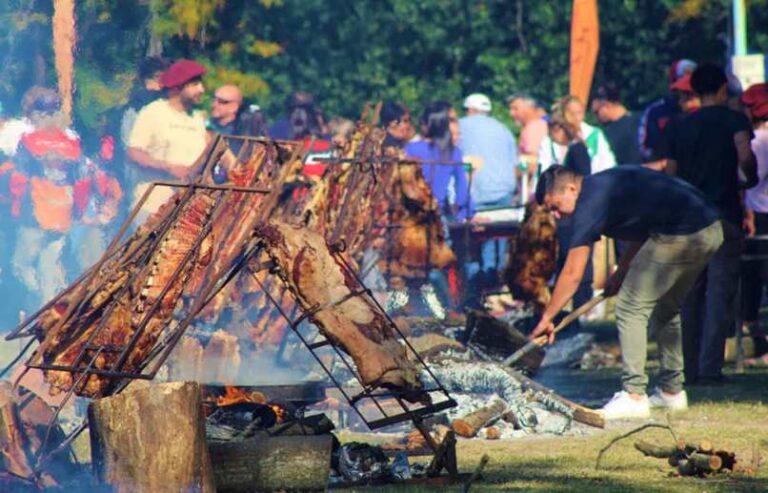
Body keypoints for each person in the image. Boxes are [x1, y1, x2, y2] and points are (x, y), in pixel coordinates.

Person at [531, 165, 723, 419]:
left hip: (684, 232)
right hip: (710, 229)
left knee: (631, 307)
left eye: (555, 206)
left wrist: (548, 318)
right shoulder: (606, 187)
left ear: (571, 188)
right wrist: (621, 273)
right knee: (666, 307)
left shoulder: (589, 200)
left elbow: (573, 273)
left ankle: (633, 395)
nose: (556, 215)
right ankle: (671, 392)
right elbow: (642, 230)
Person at [655, 63, 758, 384]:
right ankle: (710, 367)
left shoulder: (676, 126)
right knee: (720, 293)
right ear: (724, 89)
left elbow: (670, 173)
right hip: (723, 216)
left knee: (689, 295)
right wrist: (748, 178)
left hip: (687, 220)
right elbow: (744, 155)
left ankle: (687, 368)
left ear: (694, 91)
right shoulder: (734, 120)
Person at [126, 59, 209, 217]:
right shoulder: (153, 112)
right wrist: (168, 167)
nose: (202, 89)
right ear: (178, 87)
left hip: (187, 209)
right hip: (153, 206)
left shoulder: (198, 118)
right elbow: (133, 153)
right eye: (195, 84)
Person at [458, 93, 517, 285]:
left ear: (470, 110)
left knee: (470, 241)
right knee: (498, 237)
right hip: (503, 190)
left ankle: (473, 285)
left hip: (474, 192)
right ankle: (495, 281)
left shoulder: (460, 126)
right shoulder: (503, 128)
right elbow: (513, 161)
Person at [738, 83, 768, 366]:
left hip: (759, 218)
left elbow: (749, 180)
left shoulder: (759, 140)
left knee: (754, 285)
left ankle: (762, 346)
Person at [405, 101, 473, 222]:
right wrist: (466, 215)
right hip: (438, 216)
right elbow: (462, 193)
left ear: (426, 124)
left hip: (412, 216)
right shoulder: (453, 152)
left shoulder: (410, 149)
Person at [539, 95, 616, 174]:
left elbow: (607, 163)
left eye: (579, 112)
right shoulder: (552, 138)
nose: (576, 117)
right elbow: (545, 165)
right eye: (572, 113)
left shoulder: (594, 134)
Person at [638, 59, 697, 161]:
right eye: (682, 92)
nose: (684, 97)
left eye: (689, 93)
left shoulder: (710, 115)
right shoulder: (656, 111)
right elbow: (645, 148)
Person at [591, 82, 643, 164]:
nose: (597, 118)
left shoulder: (606, 134)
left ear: (606, 105)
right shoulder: (643, 118)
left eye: (597, 112)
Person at [508, 92, 548, 198]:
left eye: (515, 109)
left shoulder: (533, 128)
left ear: (529, 108)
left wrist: (510, 175)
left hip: (531, 193)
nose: (511, 113)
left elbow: (532, 163)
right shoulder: (542, 124)